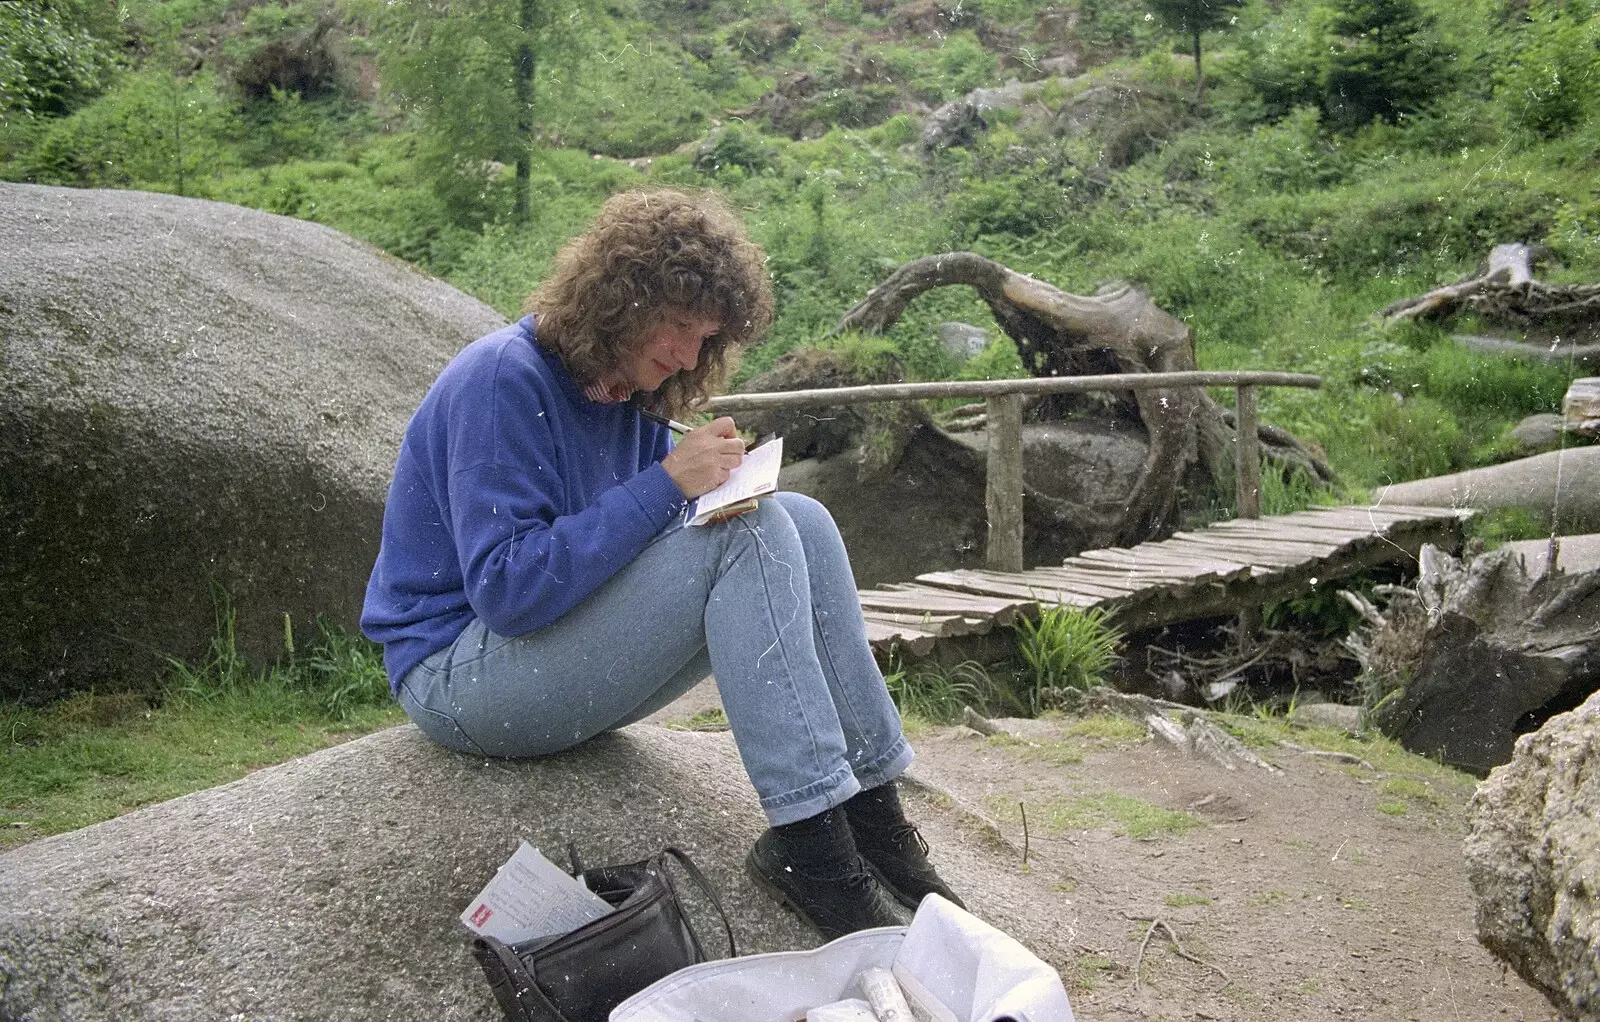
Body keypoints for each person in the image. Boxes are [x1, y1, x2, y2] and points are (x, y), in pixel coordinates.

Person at [361, 188, 962, 940]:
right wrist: (668, 483)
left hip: (537, 659)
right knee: (750, 535)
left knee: (799, 518)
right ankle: (812, 847)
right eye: (676, 325)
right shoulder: (502, 380)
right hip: (458, 675)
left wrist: (714, 488)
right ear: (619, 297)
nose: (685, 354)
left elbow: (646, 543)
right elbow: (509, 591)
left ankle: (875, 819)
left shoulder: (622, 393)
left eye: (703, 337)